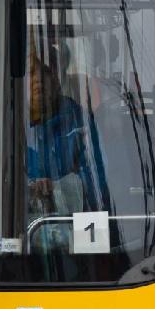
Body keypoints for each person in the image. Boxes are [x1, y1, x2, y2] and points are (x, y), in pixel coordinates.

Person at [27, 51, 104, 215]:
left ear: (56, 81)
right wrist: (30, 187)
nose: (38, 79)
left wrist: (57, 188)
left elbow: (98, 181)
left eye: (45, 72)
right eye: (31, 73)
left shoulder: (80, 125)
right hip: (20, 226)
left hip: (77, 223)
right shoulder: (7, 129)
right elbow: (0, 184)